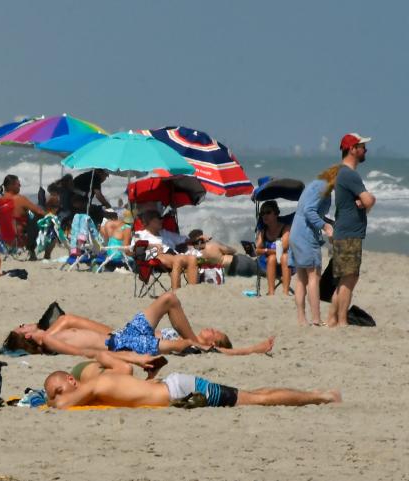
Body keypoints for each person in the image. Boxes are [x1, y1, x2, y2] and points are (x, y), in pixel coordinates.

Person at [5, 291, 275, 357]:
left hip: (124, 336)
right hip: (124, 341)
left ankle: (193, 343)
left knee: (169, 299)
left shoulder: (51, 334)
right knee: (182, 342)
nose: (25, 325)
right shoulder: (49, 339)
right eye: (23, 327)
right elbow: (88, 352)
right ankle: (249, 350)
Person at [43, 368, 340, 409]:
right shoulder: (96, 384)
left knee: (257, 400)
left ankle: (321, 396)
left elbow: (63, 406)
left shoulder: (92, 384)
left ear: (71, 380)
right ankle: (316, 394)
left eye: (57, 389)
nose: (58, 395)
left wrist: (49, 402)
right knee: (252, 395)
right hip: (175, 388)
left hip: (179, 391)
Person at [327, 133, 376, 328]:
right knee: (349, 278)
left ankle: (332, 318)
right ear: (352, 149)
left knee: (346, 278)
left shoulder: (343, 173)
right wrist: (368, 203)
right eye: (362, 146)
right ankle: (341, 320)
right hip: (349, 234)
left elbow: (362, 202)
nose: (365, 150)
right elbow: (368, 200)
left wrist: (363, 204)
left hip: (344, 232)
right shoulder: (349, 173)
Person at [289, 166, 338, 326]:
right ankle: (316, 319)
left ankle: (301, 319)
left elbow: (309, 210)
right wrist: (326, 227)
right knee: (314, 276)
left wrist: (328, 222)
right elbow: (310, 211)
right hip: (305, 234)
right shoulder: (323, 187)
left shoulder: (315, 184)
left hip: (296, 231)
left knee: (301, 278)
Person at [132, 210, 198, 289]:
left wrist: (197, 238)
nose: (161, 221)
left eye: (161, 219)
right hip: (157, 257)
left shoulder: (164, 233)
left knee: (192, 259)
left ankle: (192, 289)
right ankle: (176, 292)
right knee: (178, 260)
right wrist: (152, 246)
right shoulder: (140, 234)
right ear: (149, 222)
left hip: (173, 254)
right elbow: (133, 249)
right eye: (158, 219)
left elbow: (183, 239)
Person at [0, 174, 45, 260]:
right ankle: (33, 251)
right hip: (19, 242)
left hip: (3, 242)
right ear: (11, 186)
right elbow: (39, 212)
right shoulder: (20, 199)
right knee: (37, 218)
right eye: (18, 184)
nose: (20, 186)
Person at [254, 200, 291, 296]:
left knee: (284, 257)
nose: (264, 215)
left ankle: (285, 292)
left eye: (268, 212)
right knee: (272, 258)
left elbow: (285, 247)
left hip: (286, 262)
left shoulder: (285, 228)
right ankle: (271, 291)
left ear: (276, 214)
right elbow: (256, 250)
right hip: (268, 263)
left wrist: (266, 250)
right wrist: (268, 251)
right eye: (262, 213)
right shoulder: (263, 231)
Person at [186, 229, 258, 278]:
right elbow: (233, 251)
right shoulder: (213, 245)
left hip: (229, 271)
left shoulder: (194, 255)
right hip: (237, 262)